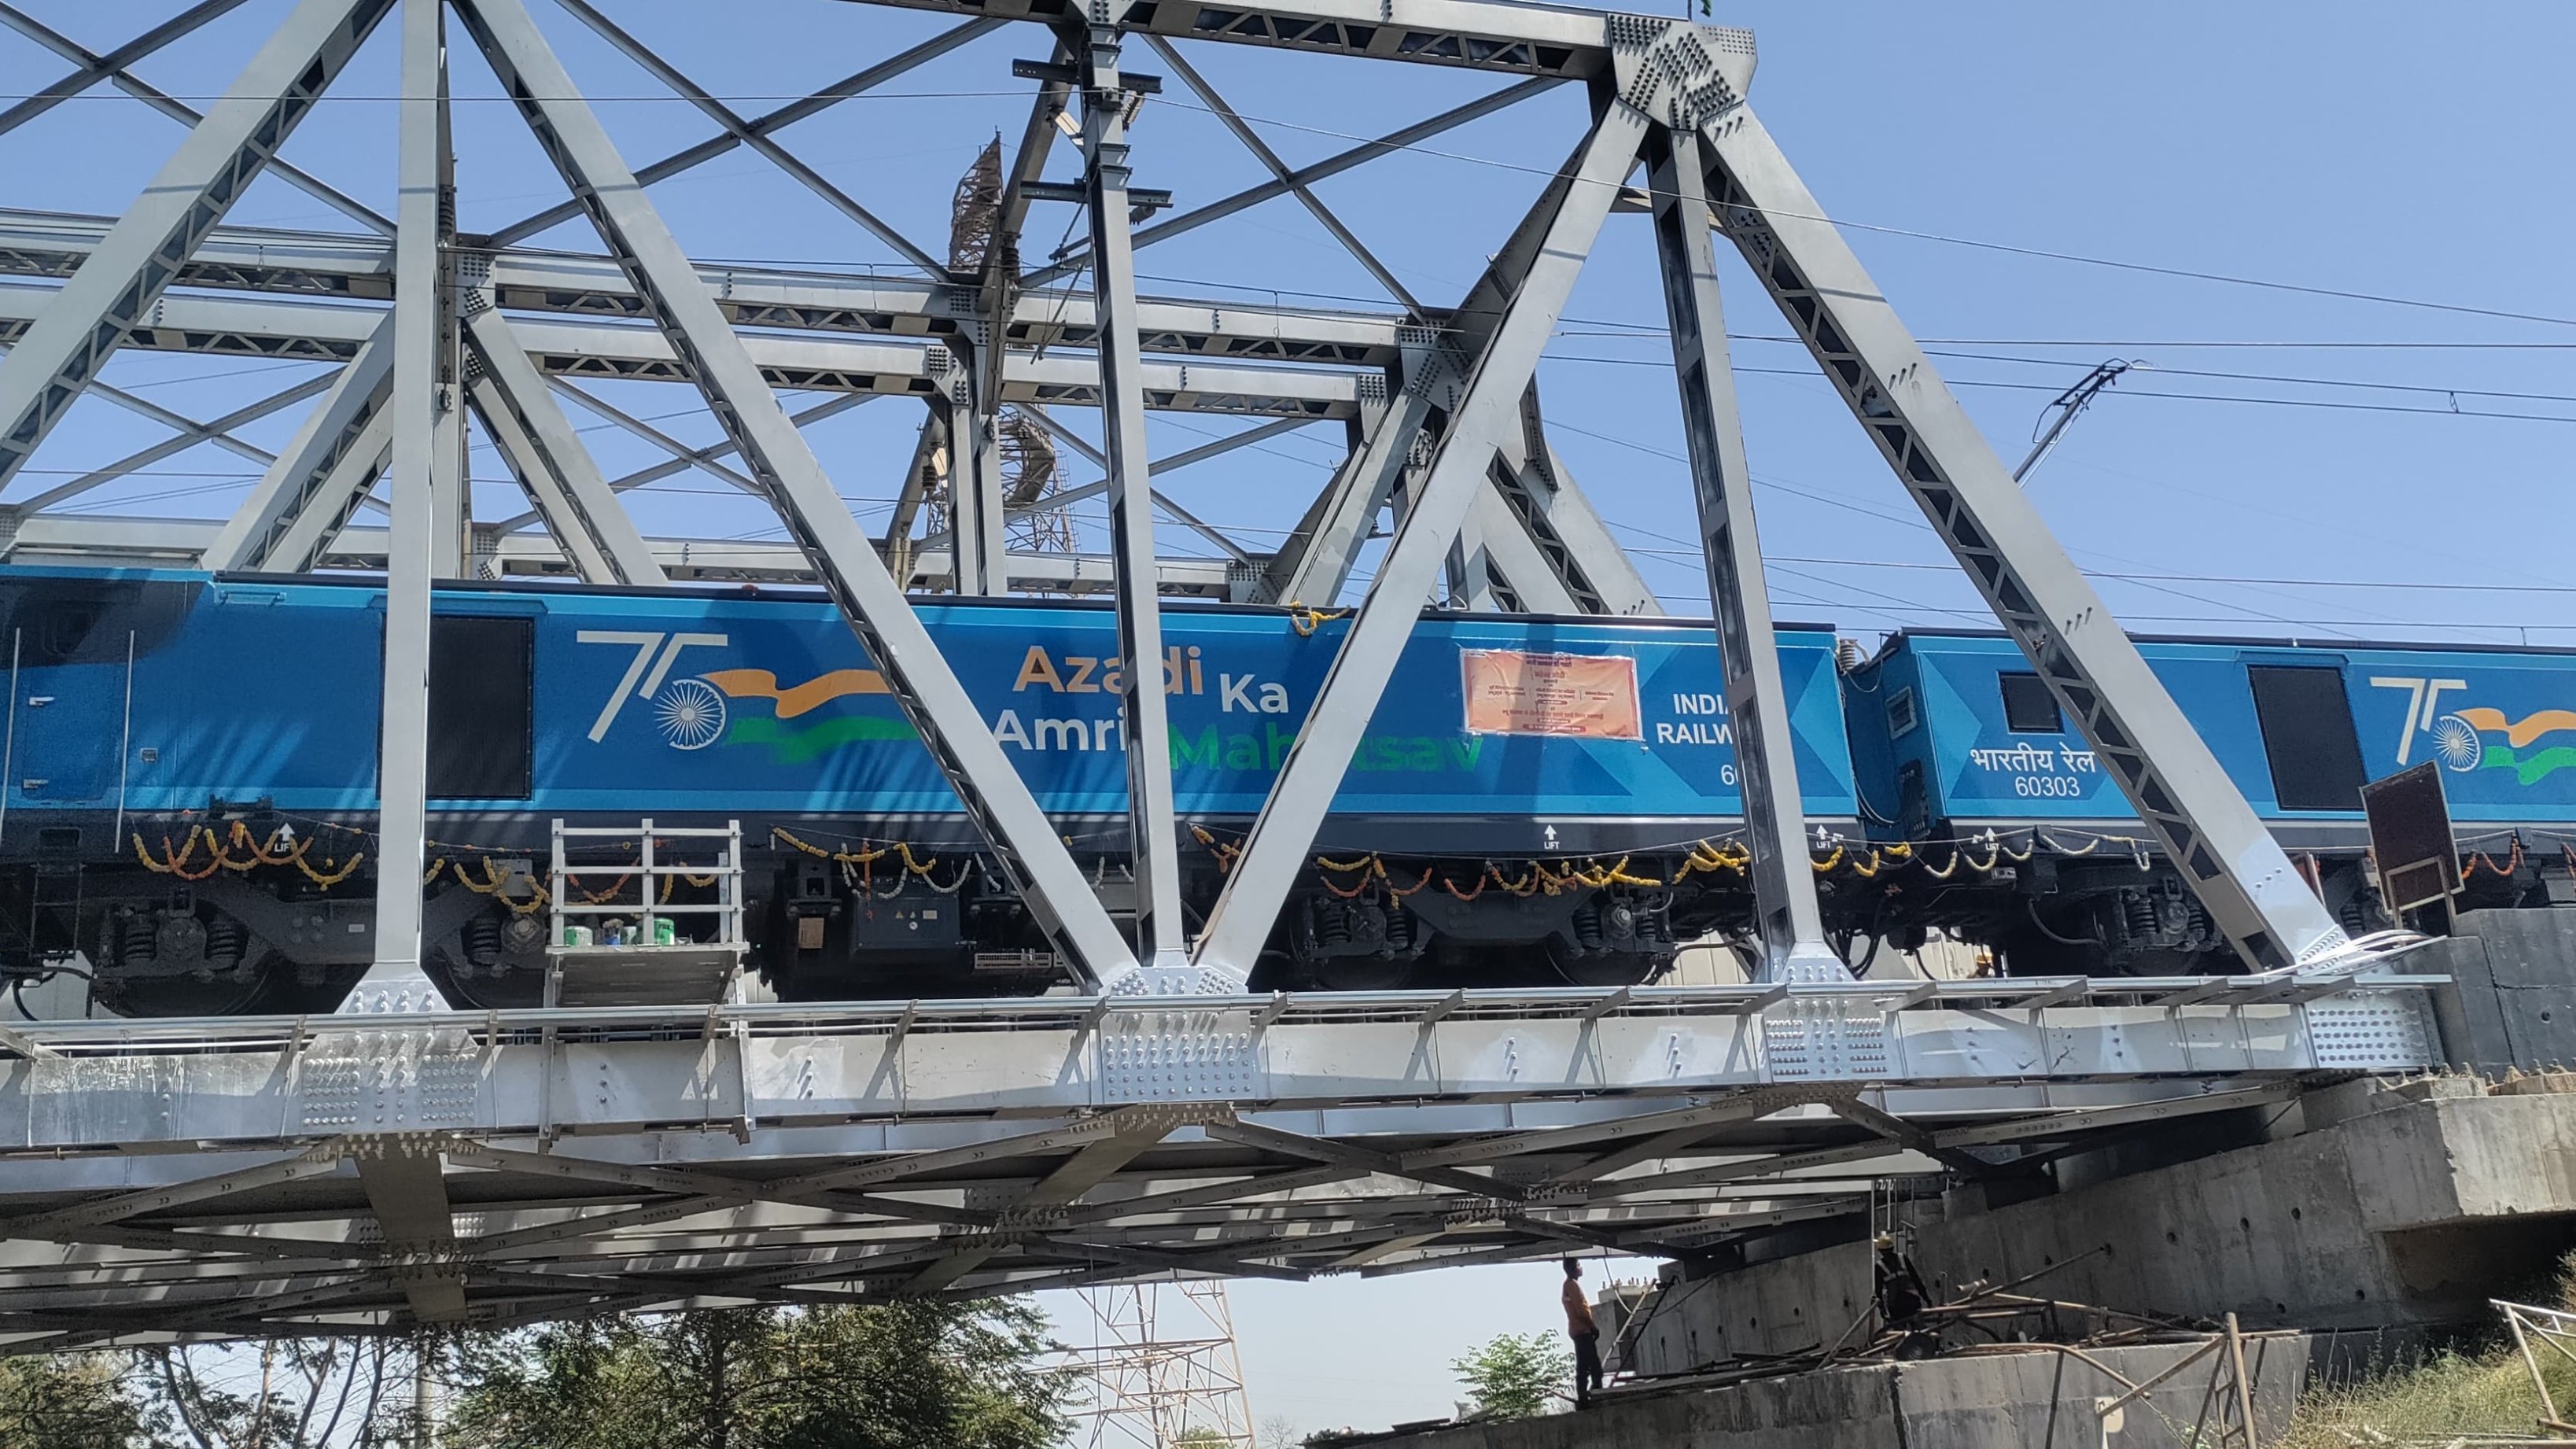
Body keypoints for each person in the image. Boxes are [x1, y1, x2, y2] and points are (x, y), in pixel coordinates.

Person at [1561, 1257, 1602, 1407]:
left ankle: (1584, 1397)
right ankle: (1594, 1397)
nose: (1581, 1267)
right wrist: (1592, 1326)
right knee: (1595, 1368)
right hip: (1582, 1330)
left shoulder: (1568, 1285)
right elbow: (1581, 1310)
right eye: (1578, 1265)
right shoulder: (1572, 1285)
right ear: (1573, 1268)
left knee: (1583, 1366)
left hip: (1577, 1330)